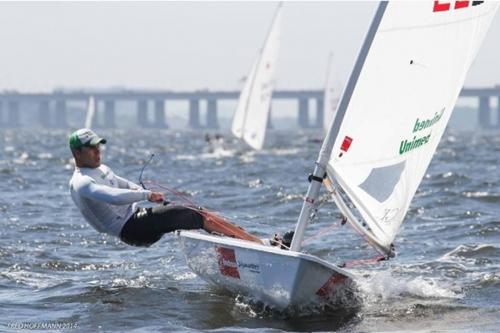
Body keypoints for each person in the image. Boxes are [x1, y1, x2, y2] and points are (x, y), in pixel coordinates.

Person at [68, 128, 262, 247]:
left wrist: (140, 191)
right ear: (77, 152)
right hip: (131, 229)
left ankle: (241, 238)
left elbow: (122, 184)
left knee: (196, 212)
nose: (97, 151)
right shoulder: (82, 182)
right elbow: (112, 196)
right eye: (92, 148)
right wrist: (146, 194)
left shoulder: (100, 168)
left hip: (138, 218)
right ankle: (252, 243)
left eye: (98, 146)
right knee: (194, 216)